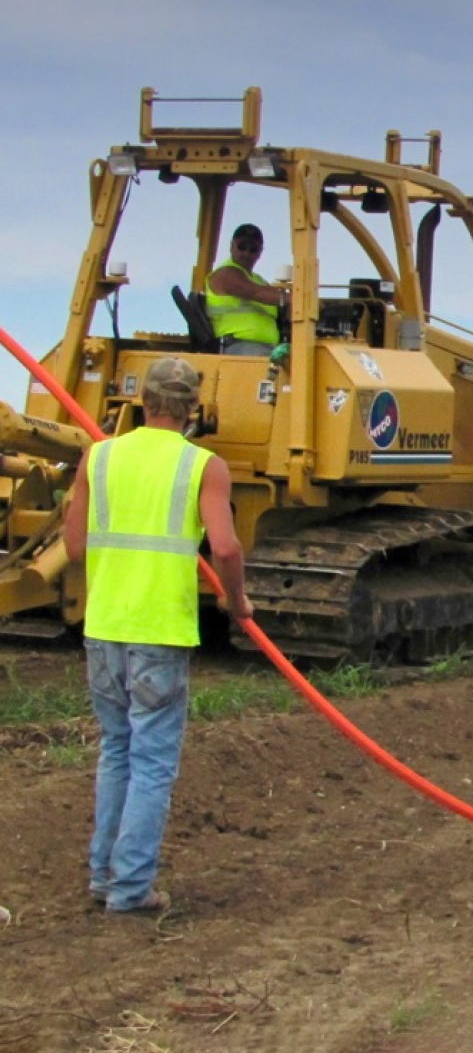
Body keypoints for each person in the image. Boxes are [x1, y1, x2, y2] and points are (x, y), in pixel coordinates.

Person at [64, 357, 253, 916]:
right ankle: (131, 888)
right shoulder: (204, 466)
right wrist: (237, 601)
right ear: (193, 408)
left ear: (141, 401)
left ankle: (104, 878)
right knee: (151, 761)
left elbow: (74, 548)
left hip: (104, 626)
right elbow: (225, 548)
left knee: (117, 752)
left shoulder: (98, 456)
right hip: (159, 630)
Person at [205, 223, 289, 355]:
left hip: (267, 348)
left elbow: (277, 300)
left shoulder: (259, 280)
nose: (246, 253)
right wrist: (296, 298)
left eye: (253, 249)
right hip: (238, 345)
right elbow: (255, 292)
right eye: (242, 246)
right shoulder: (225, 274)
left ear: (260, 253)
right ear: (232, 246)